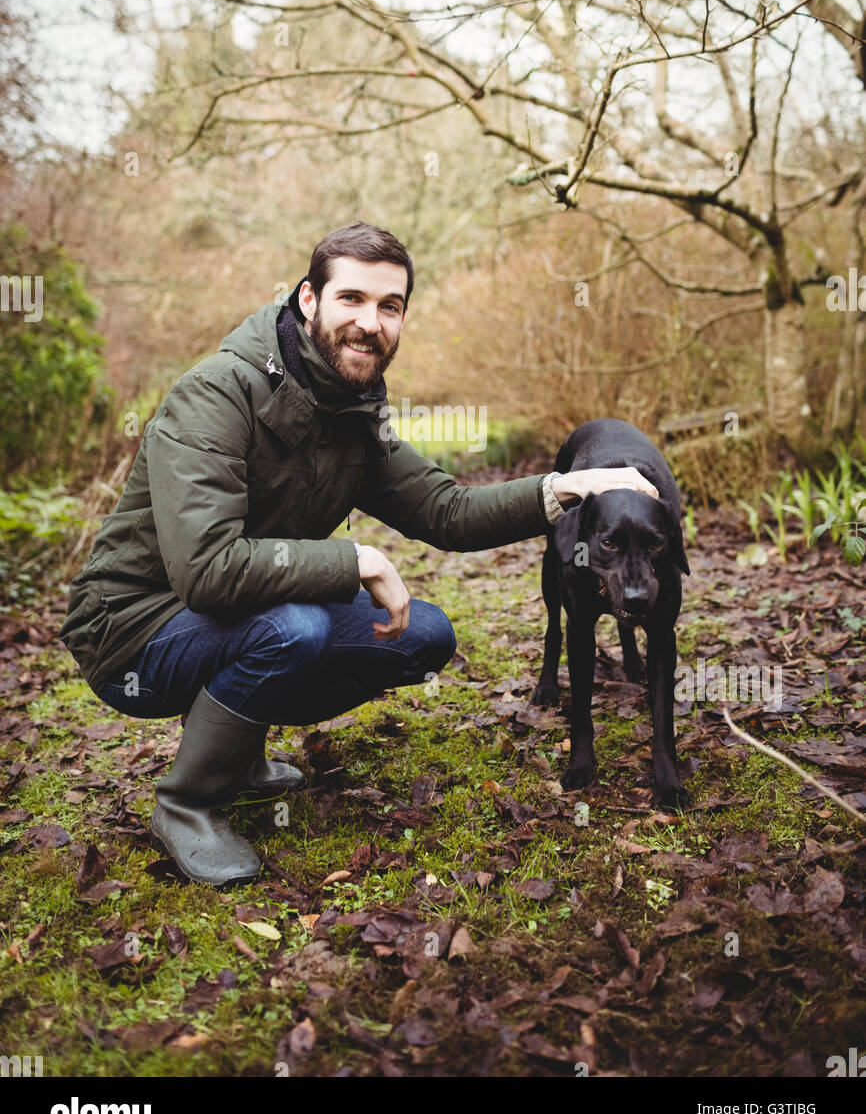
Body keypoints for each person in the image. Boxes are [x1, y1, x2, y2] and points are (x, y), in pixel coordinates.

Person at [60, 221, 659, 887]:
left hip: (232, 614)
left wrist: (567, 488)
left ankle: (240, 753)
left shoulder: (352, 411)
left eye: (390, 306)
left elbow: (446, 512)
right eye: (351, 299)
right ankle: (188, 805)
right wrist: (357, 561)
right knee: (294, 627)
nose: (369, 323)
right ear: (309, 301)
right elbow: (207, 571)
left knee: (422, 636)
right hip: (132, 629)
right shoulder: (216, 395)